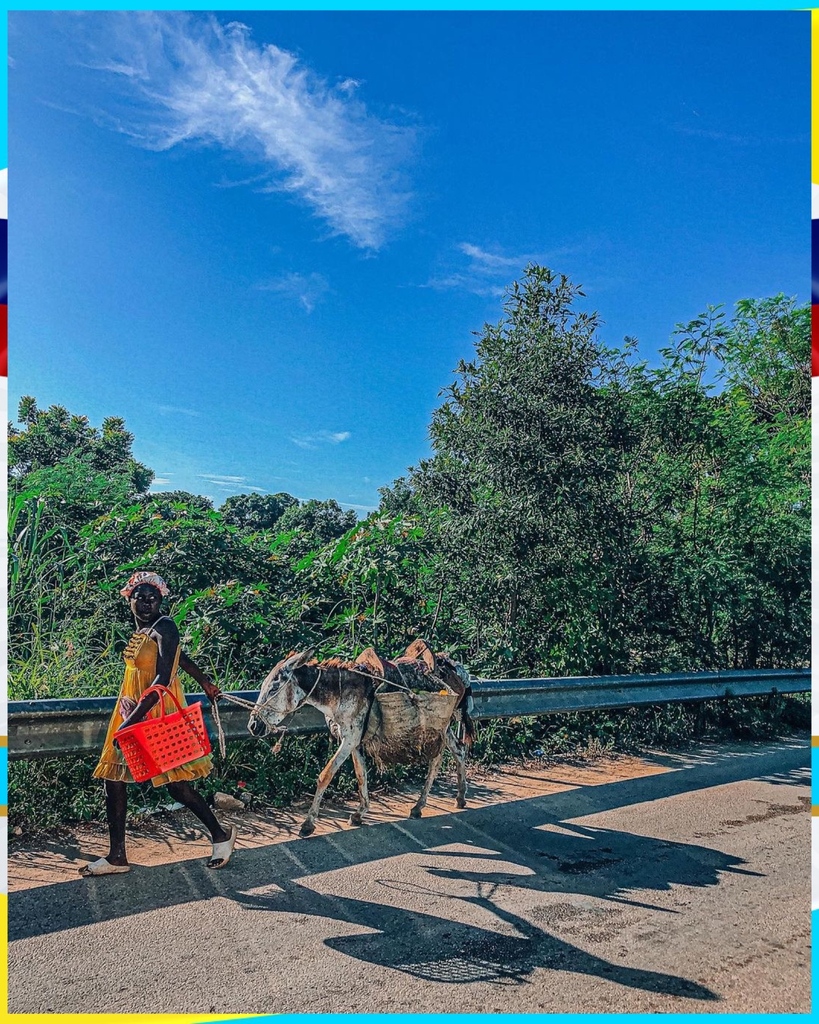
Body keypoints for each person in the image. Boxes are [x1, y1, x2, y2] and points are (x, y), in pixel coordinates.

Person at [80, 571, 237, 876]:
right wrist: (204, 681)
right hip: (132, 708)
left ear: (161, 600)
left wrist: (129, 723)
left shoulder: (165, 626)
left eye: (153, 598)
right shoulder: (144, 630)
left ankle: (220, 836)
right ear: (129, 600)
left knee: (176, 785)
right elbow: (180, 657)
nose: (147, 603)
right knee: (113, 777)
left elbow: (163, 679)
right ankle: (117, 856)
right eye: (140, 597)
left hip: (152, 711)